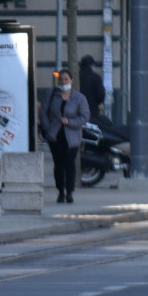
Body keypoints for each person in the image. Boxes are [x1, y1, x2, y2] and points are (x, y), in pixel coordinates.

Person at [39, 68, 90, 204]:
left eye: (66, 79)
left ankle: (70, 192)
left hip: (72, 136)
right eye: (61, 79)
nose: (63, 82)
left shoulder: (79, 98)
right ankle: (60, 191)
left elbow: (84, 117)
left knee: (70, 164)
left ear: (71, 81)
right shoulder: (52, 95)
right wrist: (48, 127)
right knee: (58, 164)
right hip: (55, 135)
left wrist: (70, 122)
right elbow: (43, 112)